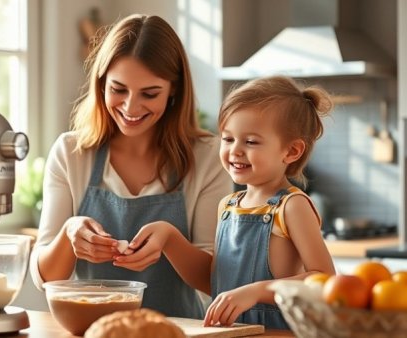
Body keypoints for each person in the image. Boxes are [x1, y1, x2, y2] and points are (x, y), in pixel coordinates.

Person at [29, 13, 232, 319]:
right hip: (92, 331)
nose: (130, 107)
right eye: (118, 89)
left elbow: (213, 281)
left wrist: (170, 239)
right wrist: (70, 234)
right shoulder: (70, 153)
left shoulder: (208, 157)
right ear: (101, 84)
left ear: (174, 89)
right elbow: (45, 278)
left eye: (150, 94)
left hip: (175, 332)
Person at [204, 76, 337, 329]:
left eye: (251, 141)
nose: (235, 151)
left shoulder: (292, 206)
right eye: (228, 138)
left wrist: (257, 291)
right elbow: (215, 281)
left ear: (291, 151)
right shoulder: (228, 206)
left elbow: (325, 280)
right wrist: (169, 239)